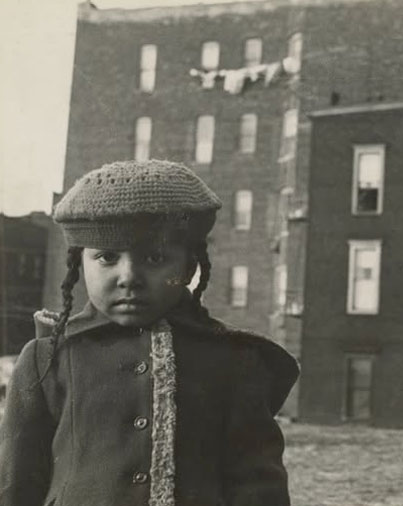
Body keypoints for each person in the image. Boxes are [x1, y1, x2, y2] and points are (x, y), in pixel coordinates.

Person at [0, 160, 299, 506]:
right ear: (80, 262)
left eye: (155, 258)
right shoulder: (46, 358)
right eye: (107, 257)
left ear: (188, 266)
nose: (129, 276)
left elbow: (259, 486)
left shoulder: (235, 361)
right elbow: (15, 485)